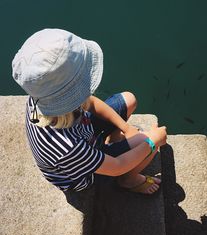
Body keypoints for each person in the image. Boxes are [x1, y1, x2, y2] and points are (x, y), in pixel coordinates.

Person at [12, 28, 167, 195]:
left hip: (84, 136)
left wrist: (126, 128)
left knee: (129, 99)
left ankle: (113, 140)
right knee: (152, 141)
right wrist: (152, 142)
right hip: (83, 172)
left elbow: (90, 102)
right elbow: (117, 166)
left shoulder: (42, 97)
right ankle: (128, 180)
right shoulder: (67, 148)